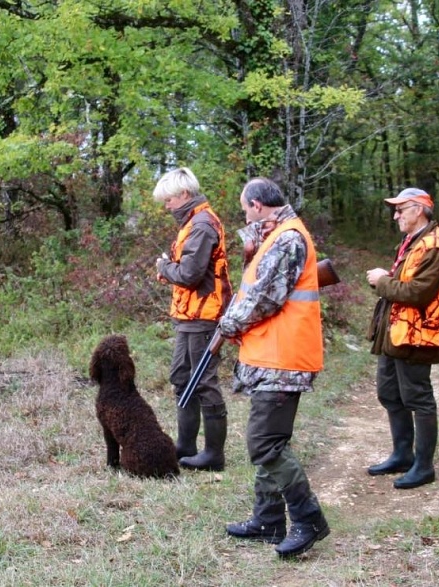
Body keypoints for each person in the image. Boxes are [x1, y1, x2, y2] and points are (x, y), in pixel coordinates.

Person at [218, 177, 329, 558]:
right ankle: (268, 519)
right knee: (268, 440)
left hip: (285, 359)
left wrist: (229, 324)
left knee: (265, 443)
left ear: (257, 205)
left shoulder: (287, 238)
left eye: (244, 207)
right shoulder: (276, 235)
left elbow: (265, 297)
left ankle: (308, 517)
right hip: (272, 356)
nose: (243, 213)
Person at [365, 187, 439, 490]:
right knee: (390, 393)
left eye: (401, 210)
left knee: (418, 398)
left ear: (418, 209)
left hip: (420, 335)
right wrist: (385, 283)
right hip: (398, 332)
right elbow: (404, 287)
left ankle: (424, 466)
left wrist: (382, 281)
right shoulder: (414, 240)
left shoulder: (434, 246)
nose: (396, 216)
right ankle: (403, 455)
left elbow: (417, 294)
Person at [153, 167, 233, 472]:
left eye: (169, 199)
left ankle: (214, 455)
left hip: (204, 315)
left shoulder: (201, 224)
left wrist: (164, 267)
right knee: (182, 379)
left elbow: (189, 274)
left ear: (184, 195)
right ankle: (186, 446)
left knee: (204, 382)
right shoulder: (192, 222)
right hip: (189, 315)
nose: (167, 206)